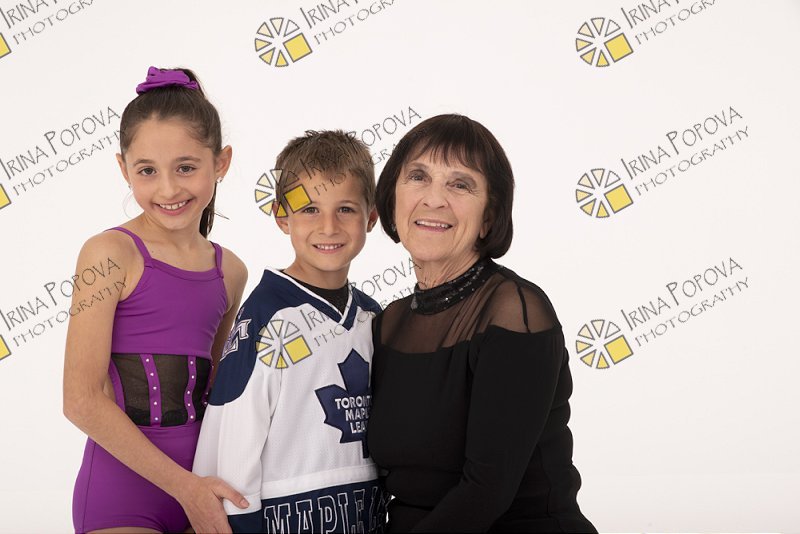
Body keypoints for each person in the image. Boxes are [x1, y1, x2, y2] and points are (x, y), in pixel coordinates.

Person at [367, 114, 597, 533]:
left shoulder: (514, 313)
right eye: (418, 176)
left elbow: (486, 492)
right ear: (391, 198)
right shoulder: (388, 324)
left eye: (460, 184)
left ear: (488, 217)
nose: (434, 199)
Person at [63, 67, 249, 534]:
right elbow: (81, 400)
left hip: (207, 483)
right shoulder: (110, 255)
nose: (168, 189)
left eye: (186, 167)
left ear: (221, 162)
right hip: (122, 494)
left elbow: (217, 396)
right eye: (147, 171)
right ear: (123, 168)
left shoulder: (230, 272)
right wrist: (187, 489)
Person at [193, 130, 387, 533]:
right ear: (283, 217)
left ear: (371, 217)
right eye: (309, 209)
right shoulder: (268, 316)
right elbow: (233, 431)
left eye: (346, 209)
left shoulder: (373, 317)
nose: (329, 226)